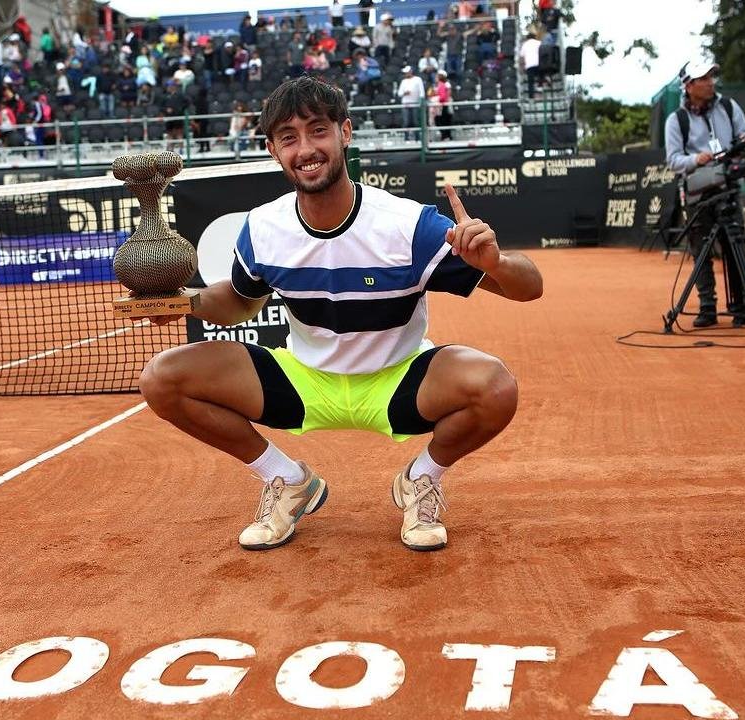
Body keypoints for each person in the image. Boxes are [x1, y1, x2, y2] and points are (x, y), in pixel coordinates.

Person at [137, 76, 542, 552]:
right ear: (273, 150)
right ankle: (288, 481)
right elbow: (243, 301)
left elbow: (529, 288)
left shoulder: (407, 225)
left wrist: (495, 263)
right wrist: (187, 301)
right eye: (289, 138)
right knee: (161, 378)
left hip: (398, 379)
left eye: (317, 130)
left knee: (495, 387)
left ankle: (421, 479)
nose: (305, 148)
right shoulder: (263, 228)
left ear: (345, 132)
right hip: (305, 380)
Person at [664, 56, 745, 328]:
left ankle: (743, 307)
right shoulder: (676, 120)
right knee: (701, 249)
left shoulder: (728, 106)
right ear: (689, 85)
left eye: (711, 77)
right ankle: (708, 307)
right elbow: (673, 161)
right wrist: (697, 159)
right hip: (698, 193)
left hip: (728, 187)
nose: (710, 83)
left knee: (735, 246)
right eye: (704, 78)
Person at [397, 66, 426, 140]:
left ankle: (417, 138)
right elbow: (399, 93)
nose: (406, 74)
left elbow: (422, 92)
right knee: (406, 122)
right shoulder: (403, 81)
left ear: (411, 71)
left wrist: (421, 101)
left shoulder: (418, 79)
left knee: (415, 121)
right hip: (405, 103)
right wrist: (404, 93)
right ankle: (406, 138)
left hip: (415, 103)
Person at [519, 27, 542, 99]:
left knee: (530, 82)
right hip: (538, 64)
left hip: (529, 65)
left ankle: (531, 97)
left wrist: (522, 67)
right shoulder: (539, 43)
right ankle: (540, 89)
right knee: (540, 77)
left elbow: (521, 56)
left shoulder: (525, 44)